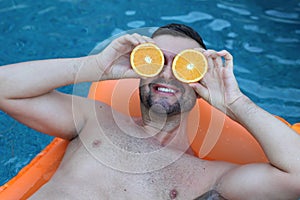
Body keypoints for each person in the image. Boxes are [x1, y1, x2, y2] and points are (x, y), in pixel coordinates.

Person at [0, 23, 299, 200]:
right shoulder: (95, 120)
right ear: (140, 68)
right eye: (156, 60)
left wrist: (235, 103)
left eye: (184, 64)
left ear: (199, 79)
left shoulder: (210, 176)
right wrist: (93, 67)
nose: (167, 74)